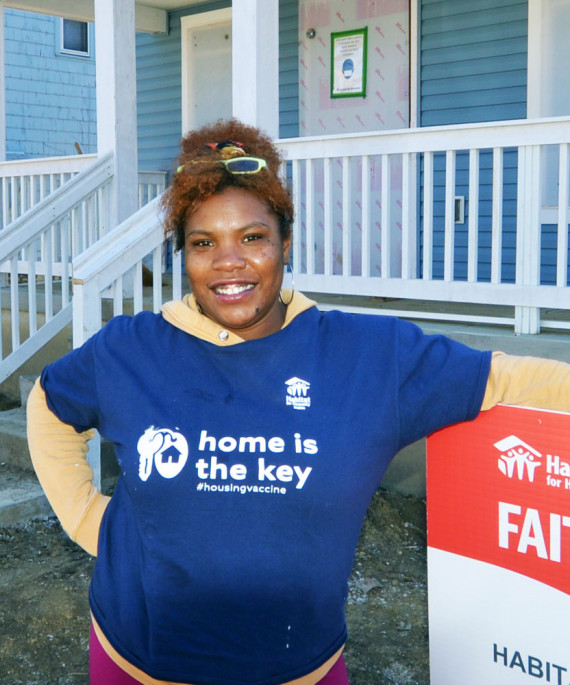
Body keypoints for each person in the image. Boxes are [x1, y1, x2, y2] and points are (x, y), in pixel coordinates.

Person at [27, 119, 570, 685]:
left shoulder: (369, 357)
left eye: (252, 237)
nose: (228, 261)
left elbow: (509, 380)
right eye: (203, 242)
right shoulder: (131, 349)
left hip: (298, 667)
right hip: (136, 662)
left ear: (286, 242)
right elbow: (49, 402)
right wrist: (87, 517)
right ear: (181, 256)